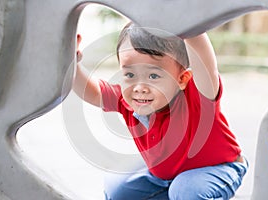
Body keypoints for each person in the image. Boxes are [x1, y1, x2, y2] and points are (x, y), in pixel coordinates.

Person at [74, 22, 248, 200]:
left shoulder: (197, 96)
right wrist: (72, 64)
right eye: (130, 75)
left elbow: (205, 61)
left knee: (185, 192)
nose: (140, 87)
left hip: (218, 168)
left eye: (154, 76)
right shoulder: (126, 100)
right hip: (165, 175)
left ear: (182, 79)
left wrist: (188, 20)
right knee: (118, 188)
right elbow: (93, 92)